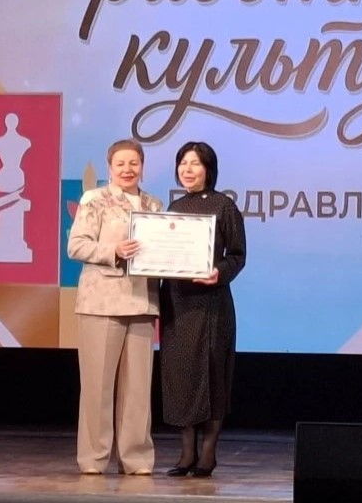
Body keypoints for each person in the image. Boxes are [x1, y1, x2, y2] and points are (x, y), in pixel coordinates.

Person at [67, 139, 163, 475]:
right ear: (109, 168)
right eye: (120, 163)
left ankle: (136, 458)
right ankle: (93, 458)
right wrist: (114, 251)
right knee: (98, 387)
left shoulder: (154, 204)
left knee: (138, 390)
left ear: (142, 167)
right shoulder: (95, 199)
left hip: (142, 302)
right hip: (102, 302)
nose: (127, 169)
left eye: (134, 163)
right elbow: (76, 246)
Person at [160, 142, 247, 478]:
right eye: (183, 163)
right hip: (177, 302)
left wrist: (218, 273)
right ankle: (186, 454)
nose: (188, 169)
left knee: (212, 375)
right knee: (180, 376)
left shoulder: (224, 206)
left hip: (211, 305)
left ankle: (208, 453)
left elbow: (237, 256)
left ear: (208, 169)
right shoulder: (173, 208)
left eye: (195, 163)